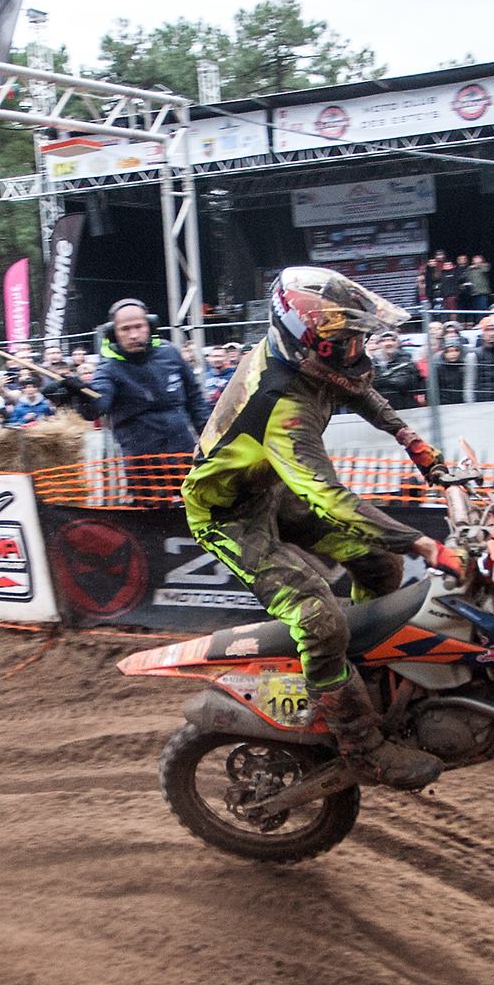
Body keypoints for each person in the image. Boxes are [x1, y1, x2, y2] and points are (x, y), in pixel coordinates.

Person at [182, 267, 454, 791]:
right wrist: (423, 543)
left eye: (358, 339)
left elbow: (356, 389)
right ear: (312, 343)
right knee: (317, 617)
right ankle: (360, 745)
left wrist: (412, 441)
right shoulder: (282, 403)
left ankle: (361, 674)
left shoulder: (307, 360)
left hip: (270, 490)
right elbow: (330, 498)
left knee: (379, 565)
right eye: (346, 341)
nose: (357, 350)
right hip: (229, 515)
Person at [80, 299, 210, 459]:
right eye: (125, 329)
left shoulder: (170, 353)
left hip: (184, 456)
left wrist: (211, 442)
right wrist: (81, 394)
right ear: (113, 333)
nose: (134, 335)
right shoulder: (108, 368)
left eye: (139, 326)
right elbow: (97, 406)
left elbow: (196, 400)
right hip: (142, 465)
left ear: (150, 326)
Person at [367, 331, 424, 409]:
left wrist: (382, 380)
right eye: (384, 341)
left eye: (392, 340)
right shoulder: (371, 364)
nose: (388, 343)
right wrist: (392, 379)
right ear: (379, 344)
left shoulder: (407, 361)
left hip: (405, 406)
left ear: (397, 343)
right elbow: (371, 385)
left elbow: (405, 382)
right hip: (380, 408)